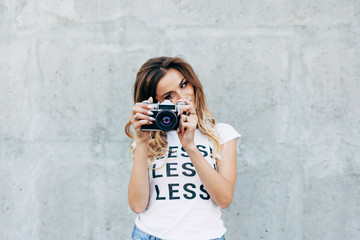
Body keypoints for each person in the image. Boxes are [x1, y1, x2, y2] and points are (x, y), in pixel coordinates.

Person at [125, 56, 241, 240]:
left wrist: (190, 145)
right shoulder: (150, 138)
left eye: (183, 84)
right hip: (151, 235)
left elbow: (224, 199)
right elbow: (138, 205)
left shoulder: (221, 133)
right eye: (168, 95)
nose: (183, 97)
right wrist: (141, 142)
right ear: (156, 103)